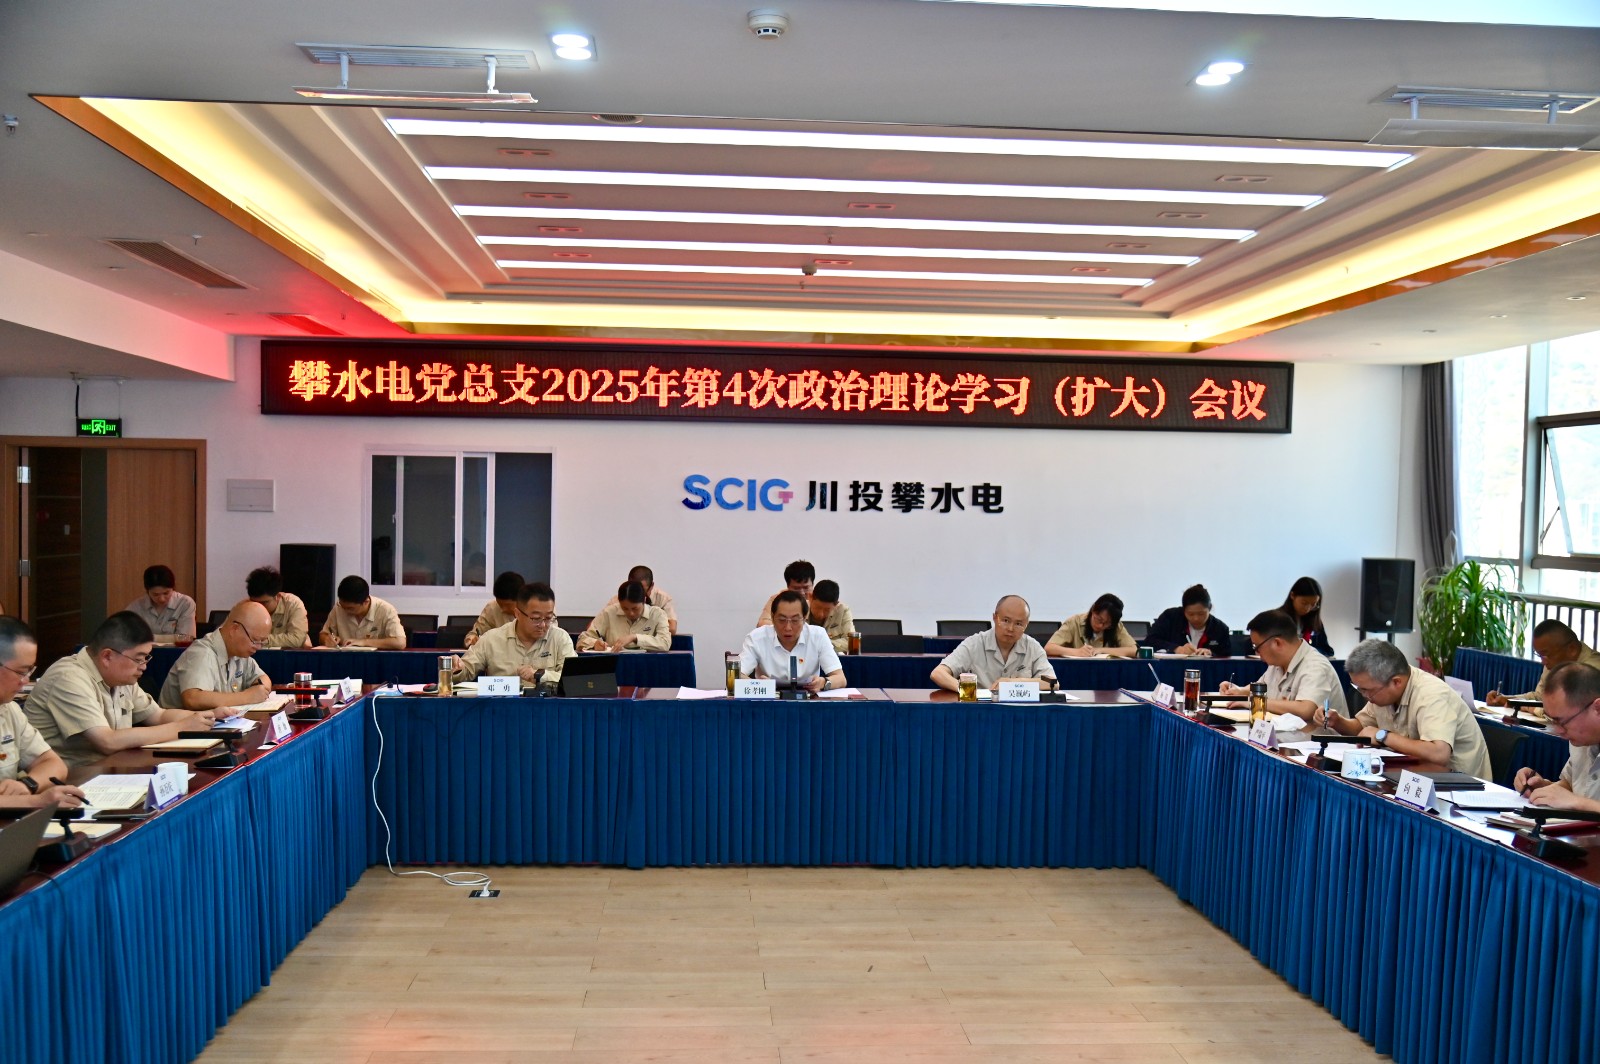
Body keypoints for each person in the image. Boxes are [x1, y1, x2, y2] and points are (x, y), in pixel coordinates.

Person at [25, 611, 222, 766]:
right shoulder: (69, 678)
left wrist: (210, 716)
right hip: (69, 781)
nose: (144, 666)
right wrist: (181, 727)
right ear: (107, 656)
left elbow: (158, 716)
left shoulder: (121, 677)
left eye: (146, 658)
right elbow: (107, 741)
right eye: (138, 659)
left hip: (110, 771)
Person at [1319, 638, 1491, 777]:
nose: (1364, 696)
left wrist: (1382, 736)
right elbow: (1363, 729)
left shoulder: (1431, 694)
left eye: (1367, 690)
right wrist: (1338, 722)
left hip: (1458, 787)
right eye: (1359, 689)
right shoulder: (1383, 690)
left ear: (1396, 682)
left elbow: (1438, 754)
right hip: (1412, 775)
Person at [0, 618, 86, 812]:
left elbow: (53, 763)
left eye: (30, 671)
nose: (25, 681)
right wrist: (35, 802)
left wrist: (28, 785)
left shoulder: (9, 710)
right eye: (21, 672)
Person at [1219, 610, 1347, 723]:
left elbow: (1306, 709)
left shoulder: (1315, 666)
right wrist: (1240, 690)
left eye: (1257, 647)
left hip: (1315, 741)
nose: (1257, 653)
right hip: (1287, 736)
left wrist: (1255, 702)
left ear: (1277, 643)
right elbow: (1261, 686)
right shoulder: (1278, 663)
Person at [449, 582, 575, 690]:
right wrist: (456, 667)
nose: (543, 625)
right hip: (501, 707)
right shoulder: (491, 639)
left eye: (548, 618)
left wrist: (540, 675)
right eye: (536, 618)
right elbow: (464, 673)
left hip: (547, 708)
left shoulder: (560, 639)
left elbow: (574, 680)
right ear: (517, 614)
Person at [1514, 662, 1600, 813]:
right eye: (1552, 720)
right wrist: (1544, 788)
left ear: (1597, 708)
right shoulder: (1580, 738)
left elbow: (1576, 800)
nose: (1559, 731)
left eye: (1562, 721)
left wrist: (1579, 803)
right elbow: (1572, 785)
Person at [158, 600, 275, 710]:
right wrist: (247, 697)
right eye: (255, 640)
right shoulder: (202, 653)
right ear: (234, 629)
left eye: (263, 642)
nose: (258, 647)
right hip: (180, 724)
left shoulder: (239, 653)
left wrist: (258, 688)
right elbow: (193, 699)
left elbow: (263, 678)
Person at [933, 595, 1058, 692]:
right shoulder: (975, 643)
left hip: (1019, 711)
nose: (1010, 628)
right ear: (994, 617)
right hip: (981, 710)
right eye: (1005, 621)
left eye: (1018, 624)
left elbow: (1053, 683)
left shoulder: (1032, 647)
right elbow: (938, 673)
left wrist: (1013, 683)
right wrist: (968, 691)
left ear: (1026, 625)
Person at [738, 590, 847, 693]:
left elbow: (841, 679)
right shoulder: (757, 638)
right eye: (782, 620)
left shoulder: (818, 635)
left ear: (804, 617)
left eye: (795, 620)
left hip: (807, 699)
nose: (788, 627)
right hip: (769, 700)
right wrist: (758, 685)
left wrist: (823, 682)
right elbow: (736, 675)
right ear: (772, 617)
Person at [1486, 619, 1600, 708]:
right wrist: (1508, 699)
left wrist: (1529, 708)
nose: (1543, 662)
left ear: (1572, 649)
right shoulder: (1552, 661)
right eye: (1540, 655)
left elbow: (1572, 711)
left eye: (1545, 654)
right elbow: (1540, 697)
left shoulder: (1594, 670)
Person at [579, 580, 672, 652]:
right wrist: (594, 643)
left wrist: (635, 637)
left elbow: (665, 643)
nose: (630, 613)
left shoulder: (657, 614)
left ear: (644, 601)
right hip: (614, 664)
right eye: (625, 608)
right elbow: (582, 639)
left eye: (635, 608)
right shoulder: (609, 612)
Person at [319, 575, 406, 649]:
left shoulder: (386, 610)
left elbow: (400, 643)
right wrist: (327, 639)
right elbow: (323, 634)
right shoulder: (338, 607)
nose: (345, 610)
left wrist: (364, 642)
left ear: (366, 602)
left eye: (350, 608)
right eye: (343, 606)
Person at [1146, 584, 1232, 658]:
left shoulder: (1220, 629)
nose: (1196, 618)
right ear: (1183, 610)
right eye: (1190, 614)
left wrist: (1211, 654)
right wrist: (1176, 649)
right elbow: (1150, 641)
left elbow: (1227, 657)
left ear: (1210, 608)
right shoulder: (1170, 617)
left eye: (1201, 614)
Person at [1046, 593, 1139, 659]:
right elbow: (1048, 648)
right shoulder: (1074, 622)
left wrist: (1100, 650)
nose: (1101, 626)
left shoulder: (1116, 626)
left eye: (1107, 624)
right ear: (1093, 610)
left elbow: (1134, 650)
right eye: (1099, 620)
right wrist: (1077, 652)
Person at [124, 563, 196, 644]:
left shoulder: (185, 603)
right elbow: (126, 637)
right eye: (155, 594)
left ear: (173, 588)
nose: (162, 599)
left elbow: (186, 638)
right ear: (147, 591)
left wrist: (147, 638)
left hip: (177, 651)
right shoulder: (136, 607)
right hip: (145, 651)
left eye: (166, 593)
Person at [245, 565, 311, 648]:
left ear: (277, 596)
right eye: (255, 602)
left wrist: (261, 640)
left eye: (264, 603)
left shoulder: (293, 604)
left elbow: (297, 639)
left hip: (288, 654)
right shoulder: (245, 606)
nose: (259, 606)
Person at [605, 565, 679, 636]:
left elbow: (672, 629)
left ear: (651, 586)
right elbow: (604, 625)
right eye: (633, 590)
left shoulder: (663, 599)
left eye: (642, 590)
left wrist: (641, 632)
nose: (637, 594)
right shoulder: (617, 600)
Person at [464, 570, 524, 648]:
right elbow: (473, 634)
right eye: (500, 604)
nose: (503, 609)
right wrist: (472, 640)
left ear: (521, 599)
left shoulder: (533, 613)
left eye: (507, 605)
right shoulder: (492, 608)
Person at [1280, 576, 1334, 656]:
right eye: (1304, 603)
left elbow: (1328, 650)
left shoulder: (1315, 623)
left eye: (1313, 604)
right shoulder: (1276, 619)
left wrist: (1310, 651)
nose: (1308, 608)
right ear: (1292, 595)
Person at [756, 559, 816, 627]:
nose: (802, 593)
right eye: (796, 588)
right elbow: (762, 624)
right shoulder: (777, 599)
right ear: (788, 586)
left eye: (806, 587)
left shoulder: (819, 599)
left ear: (813, 584)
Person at [807, 580, 855, 654]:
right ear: (810, 598)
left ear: (836, 605)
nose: (821, 614)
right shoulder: (799, 608)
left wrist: (822, 644)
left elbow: (851, 642)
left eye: (827, 610)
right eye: (817, 608)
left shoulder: (843, 611)